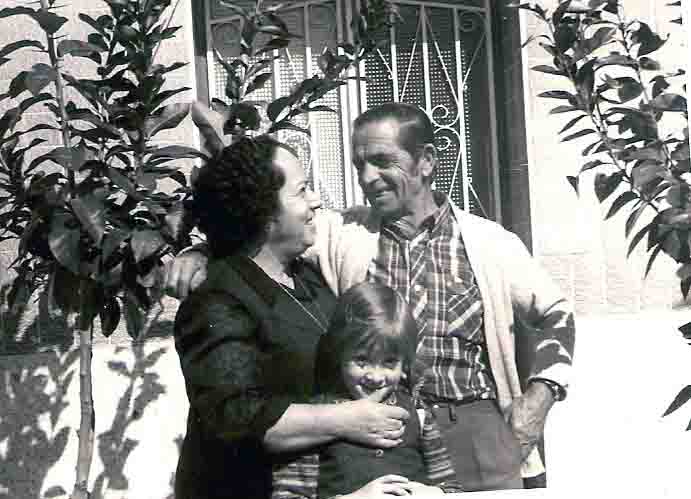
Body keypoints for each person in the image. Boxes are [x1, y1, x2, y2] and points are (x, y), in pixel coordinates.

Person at [167, 103, 576, 492]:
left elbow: (557, 313)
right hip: (376, 435)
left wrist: (540, 395)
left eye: (383, 161)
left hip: (474, 432)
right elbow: (258, 227)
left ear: (427, 161)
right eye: (359, 164)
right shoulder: (341, 233)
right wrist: (201, 250)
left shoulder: (490, 243)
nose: (367, 177)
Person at [173, 135, 411, 499]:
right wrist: (349, 418)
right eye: (301, 191)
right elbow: (236, 418)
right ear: (265, 213)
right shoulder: (218, 299)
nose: (315, 200)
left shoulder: (308, 279)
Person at [272, 282, 464, 498]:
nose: (375, 376)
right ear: (339, 354)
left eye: (389, 362)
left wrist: (434, 493)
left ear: (405, 365)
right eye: (362, 360)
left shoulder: (418, 417)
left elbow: (452, 488)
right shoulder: (315, 419)